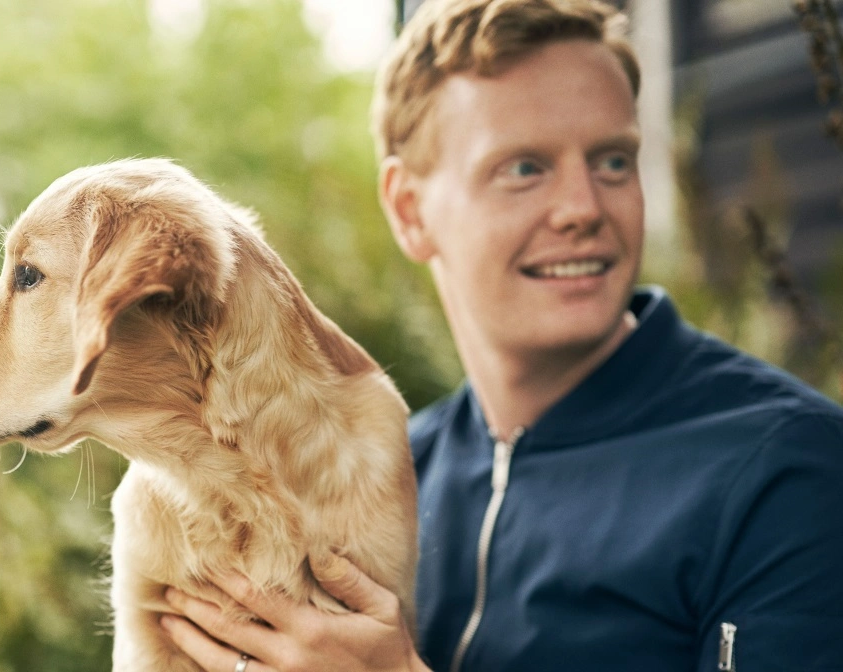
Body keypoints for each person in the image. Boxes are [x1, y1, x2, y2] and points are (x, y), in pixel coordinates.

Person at [158, 0, 843, 670]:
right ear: (409, 209)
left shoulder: (788, 469)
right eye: (525, 168)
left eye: (612, 161)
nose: (584, 208)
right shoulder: (383, 469)